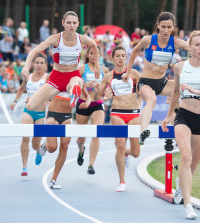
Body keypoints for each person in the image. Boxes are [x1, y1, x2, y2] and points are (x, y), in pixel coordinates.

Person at [122, 12, 200, 145]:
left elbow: (198, 49)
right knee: (152, 99)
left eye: (169, 27)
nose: (166, 30)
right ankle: (143, 132)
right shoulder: (148, 40)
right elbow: (135, 51)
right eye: (163, 27)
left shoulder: (175, 42)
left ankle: (184, 128)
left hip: (162, 82)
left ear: (173, 28)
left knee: (186, 90)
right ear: (158, 26)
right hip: (146, 82)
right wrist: (127, 72)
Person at [161, 30, 200, 219]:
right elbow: (175, 93)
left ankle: (181, 184)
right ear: (190, 48)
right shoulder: (180, 67)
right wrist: (169, 114)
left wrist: (195, 90)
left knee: (193, 164)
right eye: (197, 44)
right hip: (184, 115)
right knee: (186, 157)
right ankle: (188, 205)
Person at [21, 11, 97, 113]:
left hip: (73, 75)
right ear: (63, 23)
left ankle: (74, 93)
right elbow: (34, 51)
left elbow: (94, 45)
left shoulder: (82, 39)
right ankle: (73, 92)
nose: (71, 25)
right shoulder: (55, 39)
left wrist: (96, 66)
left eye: (74, 23)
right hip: (56, 78)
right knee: (30, 106)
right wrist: (26, 67)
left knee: (76, 81)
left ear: (78, 24)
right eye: (69, 22)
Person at [95, 46, 141, 192]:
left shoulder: (134, 73)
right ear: (113, 58)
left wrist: (140, 103)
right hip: (117, 112)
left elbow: (142, 91)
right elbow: (99, 95)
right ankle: (122, 181)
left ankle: (127, 154)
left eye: (123, 55)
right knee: (120, 145)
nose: (121, 58)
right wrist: (97, 88)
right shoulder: (108, 76)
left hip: (133, 113)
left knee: (136, 152)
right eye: (118, 56)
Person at [9, 53, 49, 176]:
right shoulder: (29, 77)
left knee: (35, 144)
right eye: (37, 62)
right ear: (33, 64)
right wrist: (15, 101)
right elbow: (21, 88)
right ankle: (24, 167)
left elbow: (53, 92)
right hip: (28, 111)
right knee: (25, 137)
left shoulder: (47, 78)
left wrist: (47, 101)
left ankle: (38, 150)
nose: (39, 65)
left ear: (46, 66)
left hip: (41, 113)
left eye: (42, 63)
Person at [76, 46, 109, 175]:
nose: (94, 56)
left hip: (97, 104)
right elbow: (74, 86)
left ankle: (91, 164)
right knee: (81, 139)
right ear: (88, 55)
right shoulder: (82, 69)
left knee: (96, 132)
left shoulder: (105, 70)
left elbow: (108, 88)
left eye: (96, 53)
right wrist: (84, 85)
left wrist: (101, 91)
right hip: (83, 104)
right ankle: (81, 150)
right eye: (91, 53)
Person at [40, 92, 73, 189]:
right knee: (52, 148)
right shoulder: (52, 76)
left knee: (64, 146)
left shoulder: (77, 78)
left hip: (67, 116)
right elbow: (43, 91)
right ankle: (46, 145)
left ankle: (53, 179)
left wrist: (87, 101)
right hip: (53, 115)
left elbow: (85, 95)